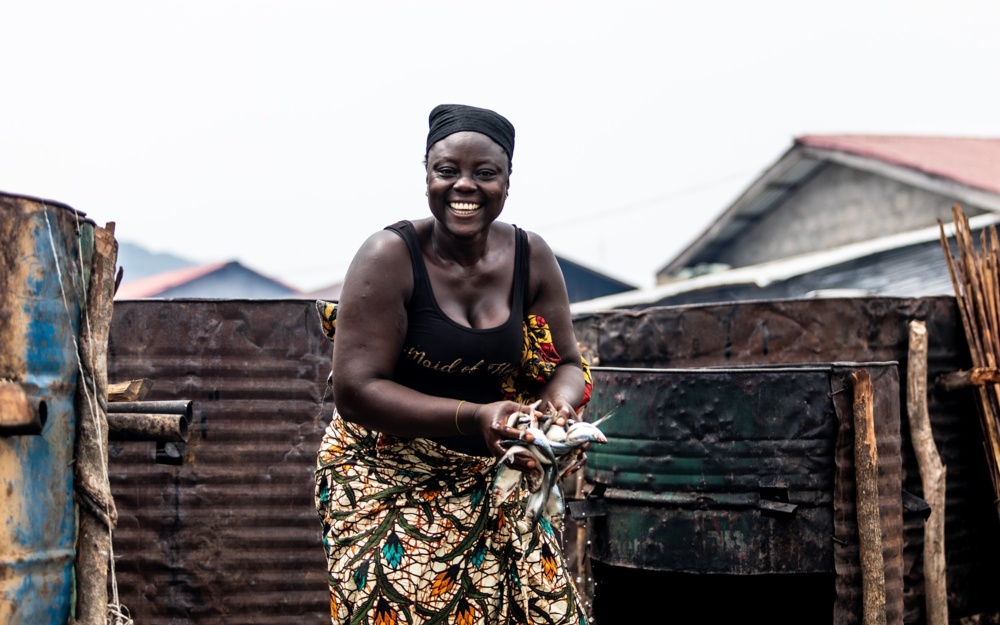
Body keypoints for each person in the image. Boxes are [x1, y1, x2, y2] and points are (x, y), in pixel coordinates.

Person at [314, 104, 591, 625]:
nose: (465, 186)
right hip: (386, 477)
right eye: (448, 171)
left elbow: (568, 363)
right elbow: (354, 389)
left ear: (507, 181)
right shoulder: (388, 257)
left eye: (485, 173)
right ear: (426, 177)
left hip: (497, 474)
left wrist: (555, 409)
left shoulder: (532, 257)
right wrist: (477, 416)